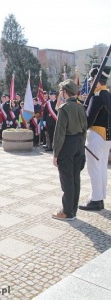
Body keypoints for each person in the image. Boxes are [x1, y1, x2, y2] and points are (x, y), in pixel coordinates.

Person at [52, 79, 87, 221]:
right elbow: (85, 128)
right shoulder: (81, 107)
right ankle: (73, 209)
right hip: (79, 143)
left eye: (62, 91)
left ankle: (67, 212)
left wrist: (56, 153)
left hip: (67, 144)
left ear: (65, 92)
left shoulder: (64, 108)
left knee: (67, 179)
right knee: (75, 178)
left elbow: (59, 133)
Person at [79, 64, 111, 211]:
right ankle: (100, 197)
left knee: (94, 169)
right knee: (102, 168)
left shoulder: (97, 97)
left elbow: (88, 121)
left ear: (97, 81)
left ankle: (96, 199)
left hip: (96, 137)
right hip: (106, 138)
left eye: (92, 80)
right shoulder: (108, 95)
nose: (90, 83)